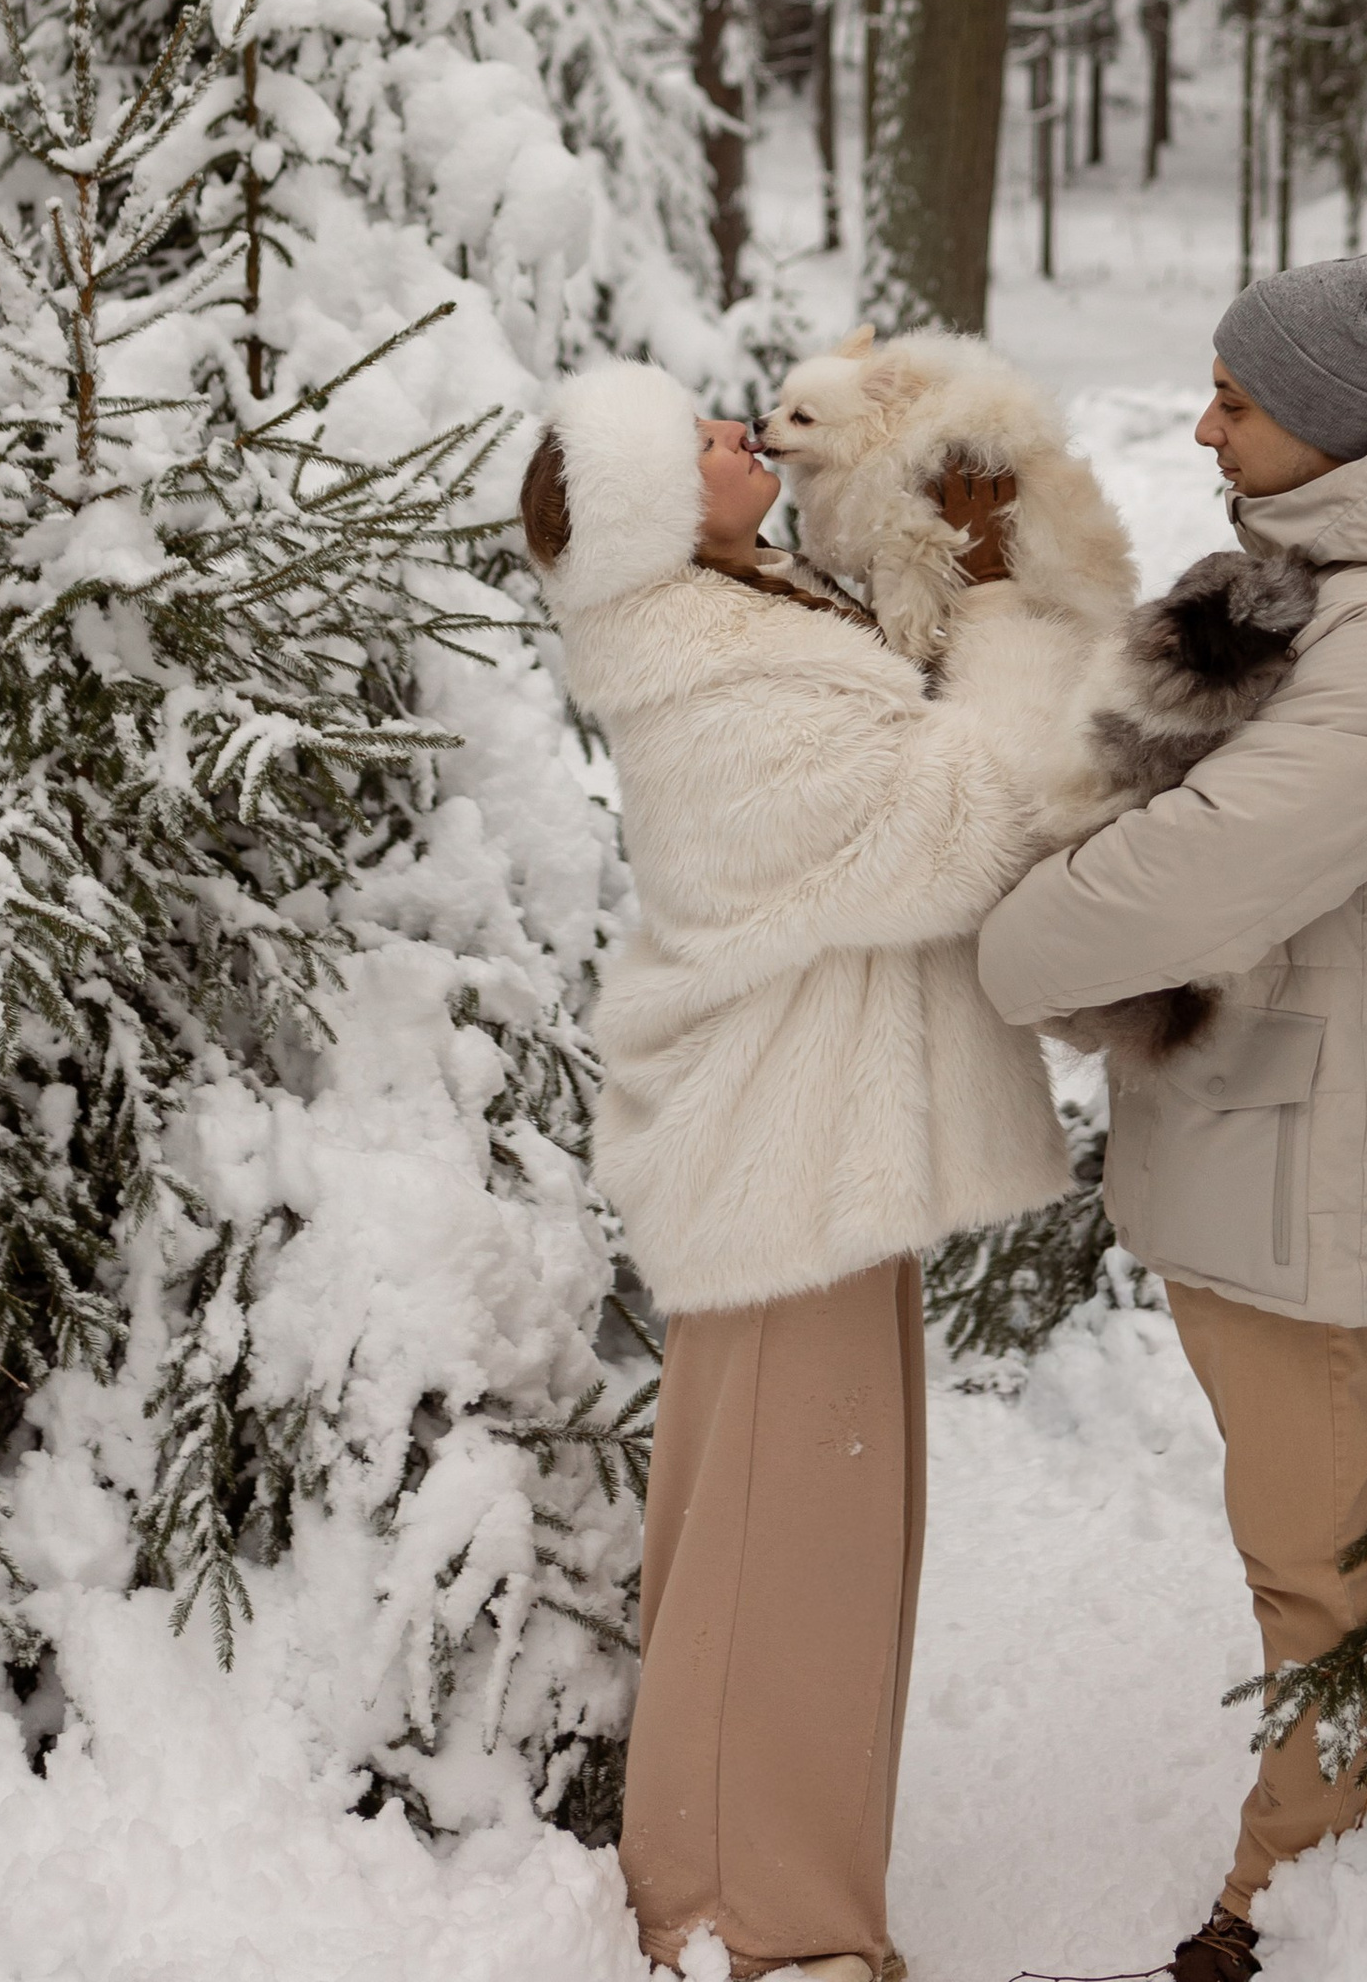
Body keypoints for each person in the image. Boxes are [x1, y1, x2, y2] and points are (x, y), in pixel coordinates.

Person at [975, 246, 1367, 1982]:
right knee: (1306, 1545)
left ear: (1323, 424)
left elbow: (1207, 870)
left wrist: (985, 943)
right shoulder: (1319, 583)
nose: (1209, 424)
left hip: (1327, 1180)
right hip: (1276, 1152)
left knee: (1317, 1576)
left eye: (1238, 400)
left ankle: (1290, 1904)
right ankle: (1361, 1837)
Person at [524, 359, 1097, 1982]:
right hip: (784, 1167)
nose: (730, 431)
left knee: (817, 1542)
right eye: (692, 442)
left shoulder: (761, 614)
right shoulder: (698, 681)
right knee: (784, 1547)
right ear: (643, 510)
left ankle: (770, 1905)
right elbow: (956, 817)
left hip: (822, 1153)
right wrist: (1004, 631)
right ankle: (740, 1925)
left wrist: (963, 555)